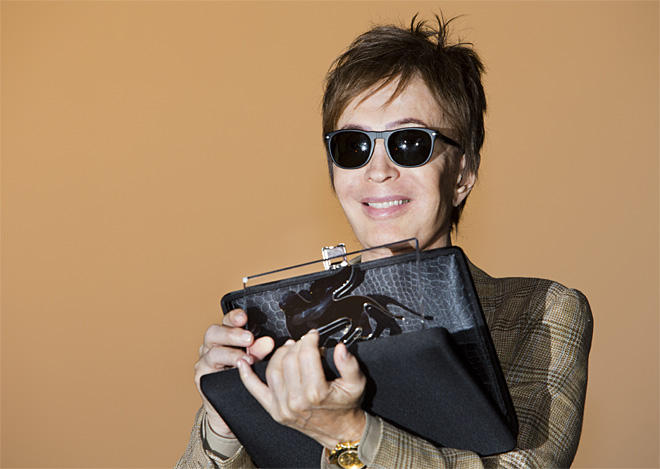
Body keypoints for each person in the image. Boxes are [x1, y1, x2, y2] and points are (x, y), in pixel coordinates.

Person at [177, 15, 593, 469]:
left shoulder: (539, 311)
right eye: (354, 147)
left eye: (410, 143)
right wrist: (226, 415)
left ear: (463, 174)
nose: (377, 171)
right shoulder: (284, 330)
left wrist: (347, 432)